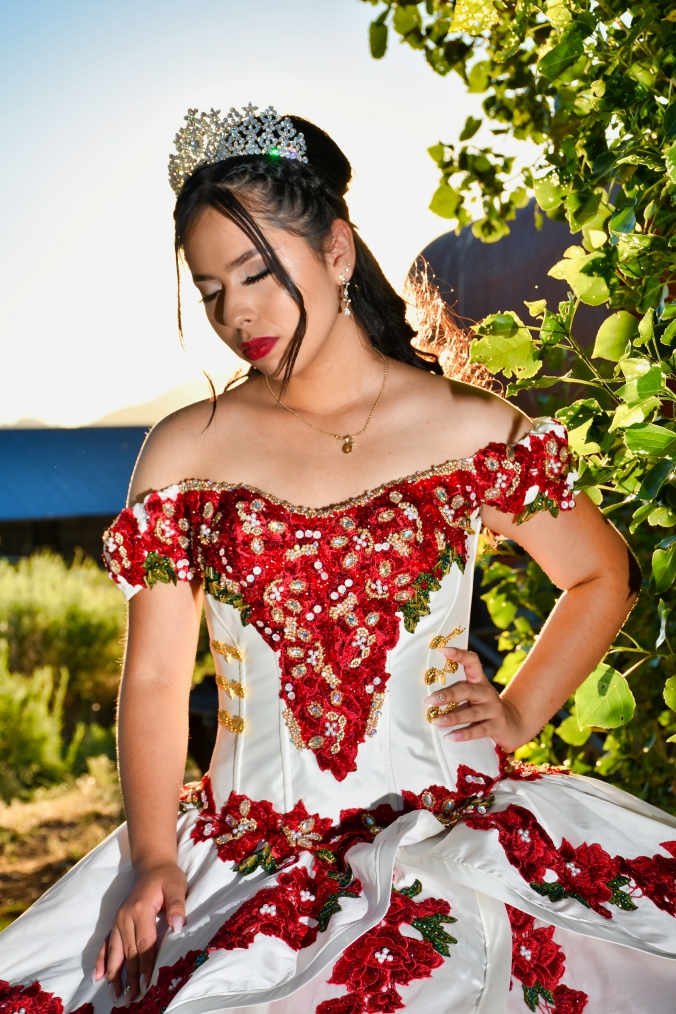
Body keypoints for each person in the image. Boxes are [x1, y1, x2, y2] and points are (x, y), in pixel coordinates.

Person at [1, 104, 674, 1014]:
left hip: (460, 837)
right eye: (209, 292)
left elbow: (601, 574)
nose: (237, 312)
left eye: (257, 272)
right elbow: (159, 678)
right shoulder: (183, 452)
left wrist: (518, 710)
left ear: (339, 251)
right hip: (250, 859)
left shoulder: (469, 428)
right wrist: (155, 855)